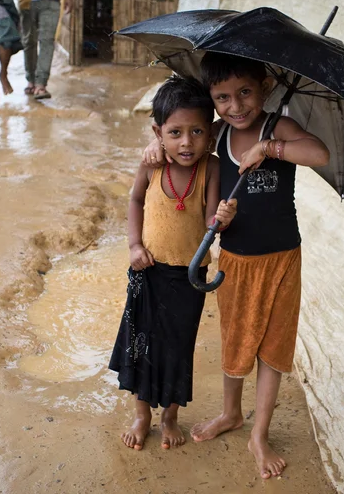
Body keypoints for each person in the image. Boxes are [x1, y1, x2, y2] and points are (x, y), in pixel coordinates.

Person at [142, 53, 330, 479]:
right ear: (212, 99)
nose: (235, 105)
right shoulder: (217, 136)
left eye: (244, 92)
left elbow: (319, 152)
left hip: (283, 259)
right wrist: (154, 143)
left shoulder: (276, 128)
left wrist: (271, 148)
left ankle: (259, 434)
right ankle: (231, 413)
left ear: (264, 87)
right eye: (222, 97)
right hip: (238, 262)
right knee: (236, 340)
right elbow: (179, 145)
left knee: (274, 348)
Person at [110, 76, 238, 452]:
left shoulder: (211, 168)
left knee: (178, 345)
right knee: (141, 343)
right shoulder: (150, 165)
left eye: (197, 131)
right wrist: (134, 245)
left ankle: (169, 416)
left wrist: (224, 216)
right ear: (158, 132)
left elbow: (211, 220)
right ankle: (141, 415)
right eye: (176, 132)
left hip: (189, 276)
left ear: (211, 134)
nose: (187, 142)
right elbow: (134, 202)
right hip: (146, 271)